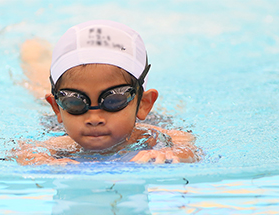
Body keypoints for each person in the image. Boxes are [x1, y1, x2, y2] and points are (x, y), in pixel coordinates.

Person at [11, 20, 201, 165]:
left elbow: (186, 143)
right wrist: (47, 162)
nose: (94, 118)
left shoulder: (149, 135)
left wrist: (171, 154)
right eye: (74, 102)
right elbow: (22, 152)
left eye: (114, 100)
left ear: (143, 104)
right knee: (36, 85)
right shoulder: (64, 143)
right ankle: (31, 49)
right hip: (54, 123)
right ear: (57, 108)